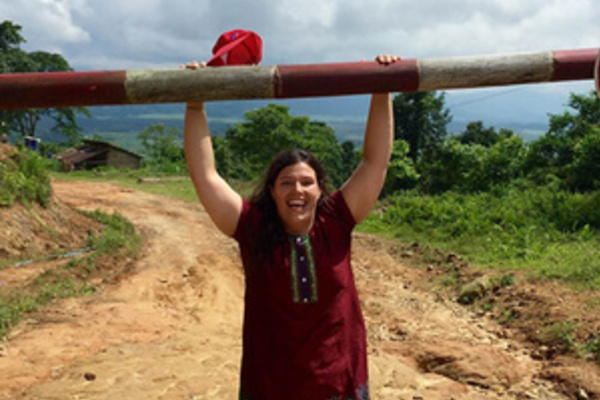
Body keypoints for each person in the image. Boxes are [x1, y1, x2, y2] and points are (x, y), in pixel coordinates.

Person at [183, 55, 399, 400]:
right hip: (271, 387)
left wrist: (382, 90)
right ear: (272, 191)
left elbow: (375, 160)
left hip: (336, 386)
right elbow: (206, 175)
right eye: (286, 182)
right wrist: (195, 105)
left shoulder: (337, 221)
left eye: (306, 182)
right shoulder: (252, 229)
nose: (297, 190)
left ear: (320, 190)